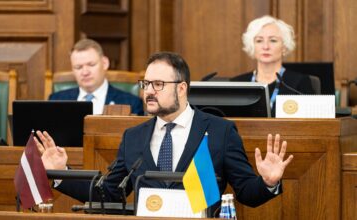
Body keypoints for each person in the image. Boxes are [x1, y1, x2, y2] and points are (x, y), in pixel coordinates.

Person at [35, 52, 293, 213]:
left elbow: (247, 192)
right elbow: (110, 192)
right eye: (146, 83)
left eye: (158, 84)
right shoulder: (133, 137)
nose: (148, 91)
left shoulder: (219, 131)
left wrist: (268, 183)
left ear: (182, 88)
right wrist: (62, 174)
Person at [231, 15, 314, 116]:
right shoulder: (237, 83)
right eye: (259, 40)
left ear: (284, 47)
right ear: (252, 46)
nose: (265, 46)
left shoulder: (299, 83)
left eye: (273, 40)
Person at [49, 39, 144, 115]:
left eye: (91, 65)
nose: (85, 72)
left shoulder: (131, 102)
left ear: (105, 63)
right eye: (78, 67)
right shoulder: (55, 100)